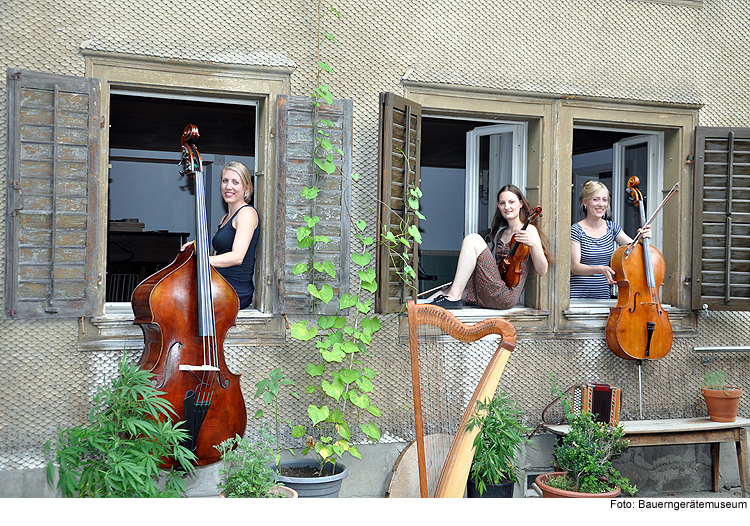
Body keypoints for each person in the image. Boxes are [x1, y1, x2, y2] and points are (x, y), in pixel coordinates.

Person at [428, 185, 552, 310]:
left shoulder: (529, 230)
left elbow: (542, 271)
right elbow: (499, 271)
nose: (507, 207)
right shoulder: (501, 234)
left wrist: (534, 244)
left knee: (472, 239)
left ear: (520, 203)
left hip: (506, 296)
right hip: (493, 290)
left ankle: (454, 298)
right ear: (498, 206)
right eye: (502, 203)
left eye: (511, 202)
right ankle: (418, 312)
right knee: (443, 294)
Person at [182, 161, 259, 309]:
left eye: (235, 182)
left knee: (185, 299)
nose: (228, 186)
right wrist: (195, 248)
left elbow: (237, 257)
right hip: (218, 282)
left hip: (235, 289)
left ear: (247, 187)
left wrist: (201, 260)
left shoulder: (247, 213)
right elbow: (218, 255)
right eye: (225, 181)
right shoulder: (225, 218)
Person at [570, 180, 651, 300]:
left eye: (604, 200)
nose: (601, 204)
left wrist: (643, 239)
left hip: (603, 297)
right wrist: (600, 269)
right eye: (595, 199)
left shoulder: (612, 228)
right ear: (585, 202)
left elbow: (634, 250)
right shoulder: (576, 230)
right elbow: (574, 267)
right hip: (578, 297)